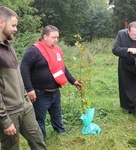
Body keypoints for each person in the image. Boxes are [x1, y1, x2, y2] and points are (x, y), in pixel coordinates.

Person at [20, 25, 82, 140]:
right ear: (45, 36)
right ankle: (41, 140)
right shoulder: (34, 50)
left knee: (57, 115)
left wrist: (73, 81)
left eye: (57, 37)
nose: (56, 40)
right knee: (39, 119)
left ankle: (60, 132)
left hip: (55, 92)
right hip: (40, 93)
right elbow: (24, 68)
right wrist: (29, 89)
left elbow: (62, 67)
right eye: (53, 37)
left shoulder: (56, 49)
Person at [0, 6, 47, 150]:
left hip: (25, 107)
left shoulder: (9, 46)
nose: (16, 29)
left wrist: (26, 99)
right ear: (1, 22)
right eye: (13, 25)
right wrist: (4, 120)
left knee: (38, 141)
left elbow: (17, 77)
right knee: (11, 148)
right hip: (9, 112)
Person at [112, 21, 136, 115]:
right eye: (133, 35)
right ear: (128, 31)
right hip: (125, 64)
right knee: (127, 87)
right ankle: (129, 107)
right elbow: (115, 50)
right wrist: (128, 49)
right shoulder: (121, 34)